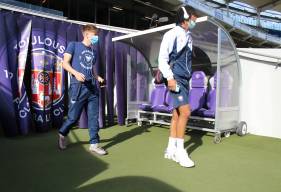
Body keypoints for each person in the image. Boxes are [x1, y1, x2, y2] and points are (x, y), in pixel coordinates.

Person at [158, 6, 198, 167]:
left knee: (177, 115)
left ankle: (170, 149)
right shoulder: (171, 34)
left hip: (185, 80)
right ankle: (180, 152)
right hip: (176, 79)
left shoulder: (189, 36)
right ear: (185, 18)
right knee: (186, 112)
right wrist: (170, 78)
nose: (194, 22)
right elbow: (162, 58)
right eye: (193, 20)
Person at [58, 24, 107, 155]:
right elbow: (64, 63)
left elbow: (90, 69)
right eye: (95, 35)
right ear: (86, 34)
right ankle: (62, 134)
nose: (97, 37)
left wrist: (98, 77)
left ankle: (94, 144)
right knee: (73, 117)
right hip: (78, 87)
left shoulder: (94, 51)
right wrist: (76, 73)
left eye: (97, 35)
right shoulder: (73, 45)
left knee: (93, 117)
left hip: (92, 88)